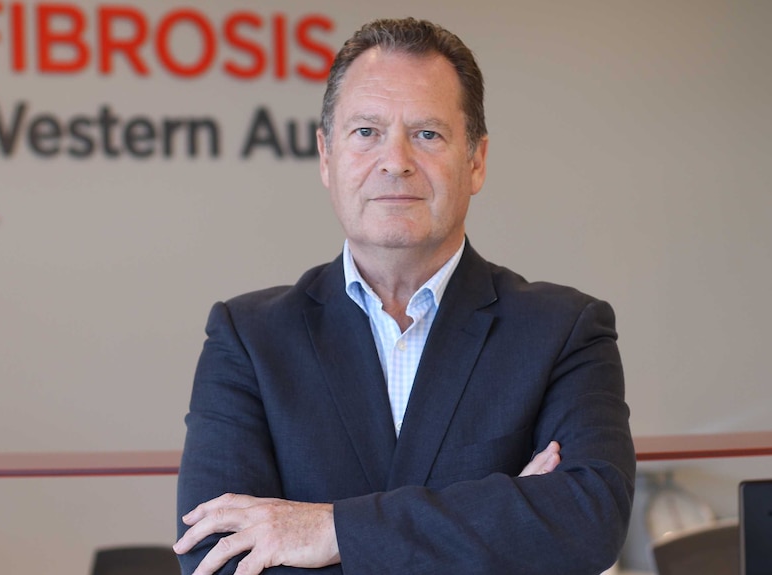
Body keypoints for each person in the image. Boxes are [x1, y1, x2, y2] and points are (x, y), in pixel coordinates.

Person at [174, 17, 635, 575]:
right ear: (326, 156)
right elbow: (216, 559)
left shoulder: (565, 330)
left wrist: (331, 530)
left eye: (427, 134)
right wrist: (500, 516)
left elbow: (587, 523)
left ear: (477, 160)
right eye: (366, 132)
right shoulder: (247, 338)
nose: (396, 161)